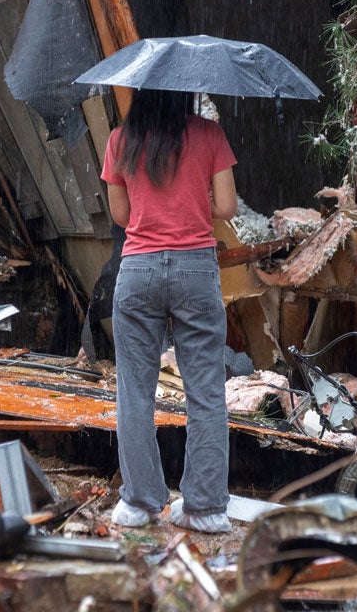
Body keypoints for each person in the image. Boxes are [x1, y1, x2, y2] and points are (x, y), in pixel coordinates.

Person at [100, 88, 238, 534]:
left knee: (135, 392)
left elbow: (121, 216)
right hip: (196, 270)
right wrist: (195, 202)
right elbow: (228, 208)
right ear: (183, 93)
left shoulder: (121, 139)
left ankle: (140, 503)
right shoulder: (209, 134)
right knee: (206, 391)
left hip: (138, 270)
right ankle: (206, 508)